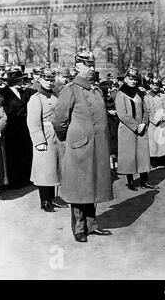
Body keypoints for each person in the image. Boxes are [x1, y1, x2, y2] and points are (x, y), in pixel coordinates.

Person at [52, 48, 113, 243]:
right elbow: (59, 121)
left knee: (93, 185)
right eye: (87, 65)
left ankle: (91, 225)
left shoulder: (96, 90)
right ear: (77, 66)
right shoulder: (69, 90)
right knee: (80, 187)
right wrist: (69, 138)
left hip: (98, 147)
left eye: (93, 65)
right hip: (80, 147)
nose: (92, 69)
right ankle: (79, 229)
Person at [0, 66, 37, 188]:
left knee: (25, 152)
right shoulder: (5, 93)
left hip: (24, 127)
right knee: (13, 154)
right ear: (13, 82)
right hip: (12, 128)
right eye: (19, 80)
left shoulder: (24, 92)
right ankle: (14, 181)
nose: (22, 82)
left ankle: (25, 178)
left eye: (22, 80)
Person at [116, 67, 159, 191]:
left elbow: (145, 110)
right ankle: (130, 182)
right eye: (131, 79)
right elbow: (122, 114)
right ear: (125, 79)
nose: (133, 81)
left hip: (141, 128)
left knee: (143, 155)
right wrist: (135, 126)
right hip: (127, 129)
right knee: (129, 155)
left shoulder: (139, 93)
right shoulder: (121, 94)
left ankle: (144, 181)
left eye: (135, 79)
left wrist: (144, 123)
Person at [26, 69, 63, 212]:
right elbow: (33, 122)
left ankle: (52, 199)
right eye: (46, 79)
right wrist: (39, 141)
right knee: (44, 171)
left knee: (53, 169)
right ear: (40, 80)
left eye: (51, 80)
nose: (49, 82)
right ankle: (45, 201)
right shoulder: (35, 98)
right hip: (44, 136)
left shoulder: (55, 97)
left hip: (56, 136)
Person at [145, 76, 165, 169]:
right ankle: (153, 160)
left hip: (162, 121)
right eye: (153, 84)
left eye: (157, 85)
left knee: (163, 141)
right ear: (150, 85)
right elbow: (148, 110)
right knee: (153, 142)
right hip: (152, 122)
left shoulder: (162, 95)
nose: (155, 86)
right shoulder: (147, 97)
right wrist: (155, 120)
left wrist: (164, 118)